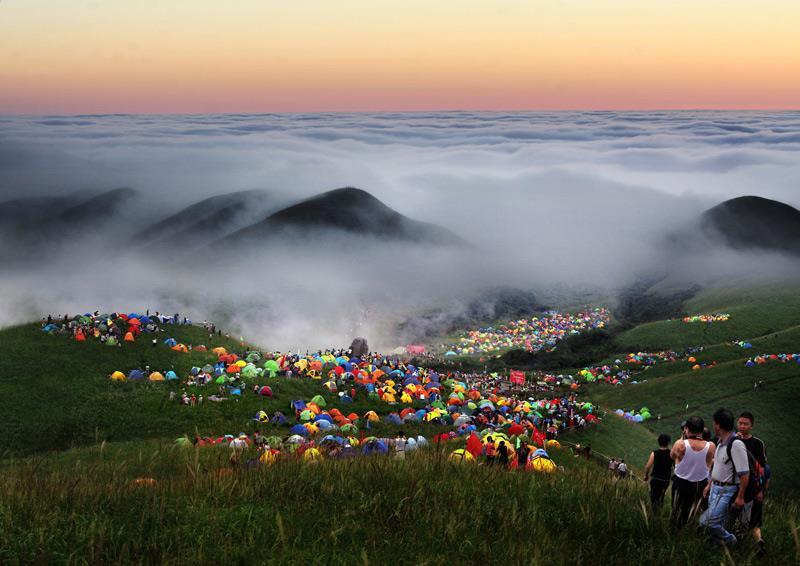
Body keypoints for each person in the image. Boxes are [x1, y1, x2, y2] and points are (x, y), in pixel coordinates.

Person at [699, 408, 750, 545]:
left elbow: (744, 473)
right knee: (717, 522)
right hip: (715, 488)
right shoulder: (721, 442)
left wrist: (740, 497)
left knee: (706, 522)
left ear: (718, 425)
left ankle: (731, 541)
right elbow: (718, 467)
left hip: (726, 491)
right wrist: (709, 484)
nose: (713, 426)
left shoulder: (736, 444)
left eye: (714, 423)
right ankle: (718, 546)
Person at [670, 416, 714, 528]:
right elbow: (709, 463)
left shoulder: (680, 444)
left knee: (676, 508)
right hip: (699, 483)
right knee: (690, 509)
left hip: (680, 481)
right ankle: (686, 527)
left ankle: (674, 528)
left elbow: (672, 456)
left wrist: (683, 438)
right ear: (702, 430)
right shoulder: (711, 446)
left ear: (687, 429)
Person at [737, 411, 768, 550]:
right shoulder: (734, 440)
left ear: (752, 426)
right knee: (739, 517)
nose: (742, 426)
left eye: (746, 424)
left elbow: (762, 469)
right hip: (736, 487)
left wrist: (761, 490)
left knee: (754, 517)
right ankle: (742, 542)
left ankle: (756, 542)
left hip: (753, 487)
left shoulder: (757, 443)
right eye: (740, 423)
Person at [644, 433, 673, 509]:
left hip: (655, 478)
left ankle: (653, 513)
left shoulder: (655, 453)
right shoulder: (671, 454)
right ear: (668, 442)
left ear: (658, 441)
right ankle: (659, 511)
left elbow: (648, 466)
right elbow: (675, 466)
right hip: (666, 480)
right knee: (661, 497)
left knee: (653, 497)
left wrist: (646, 475)